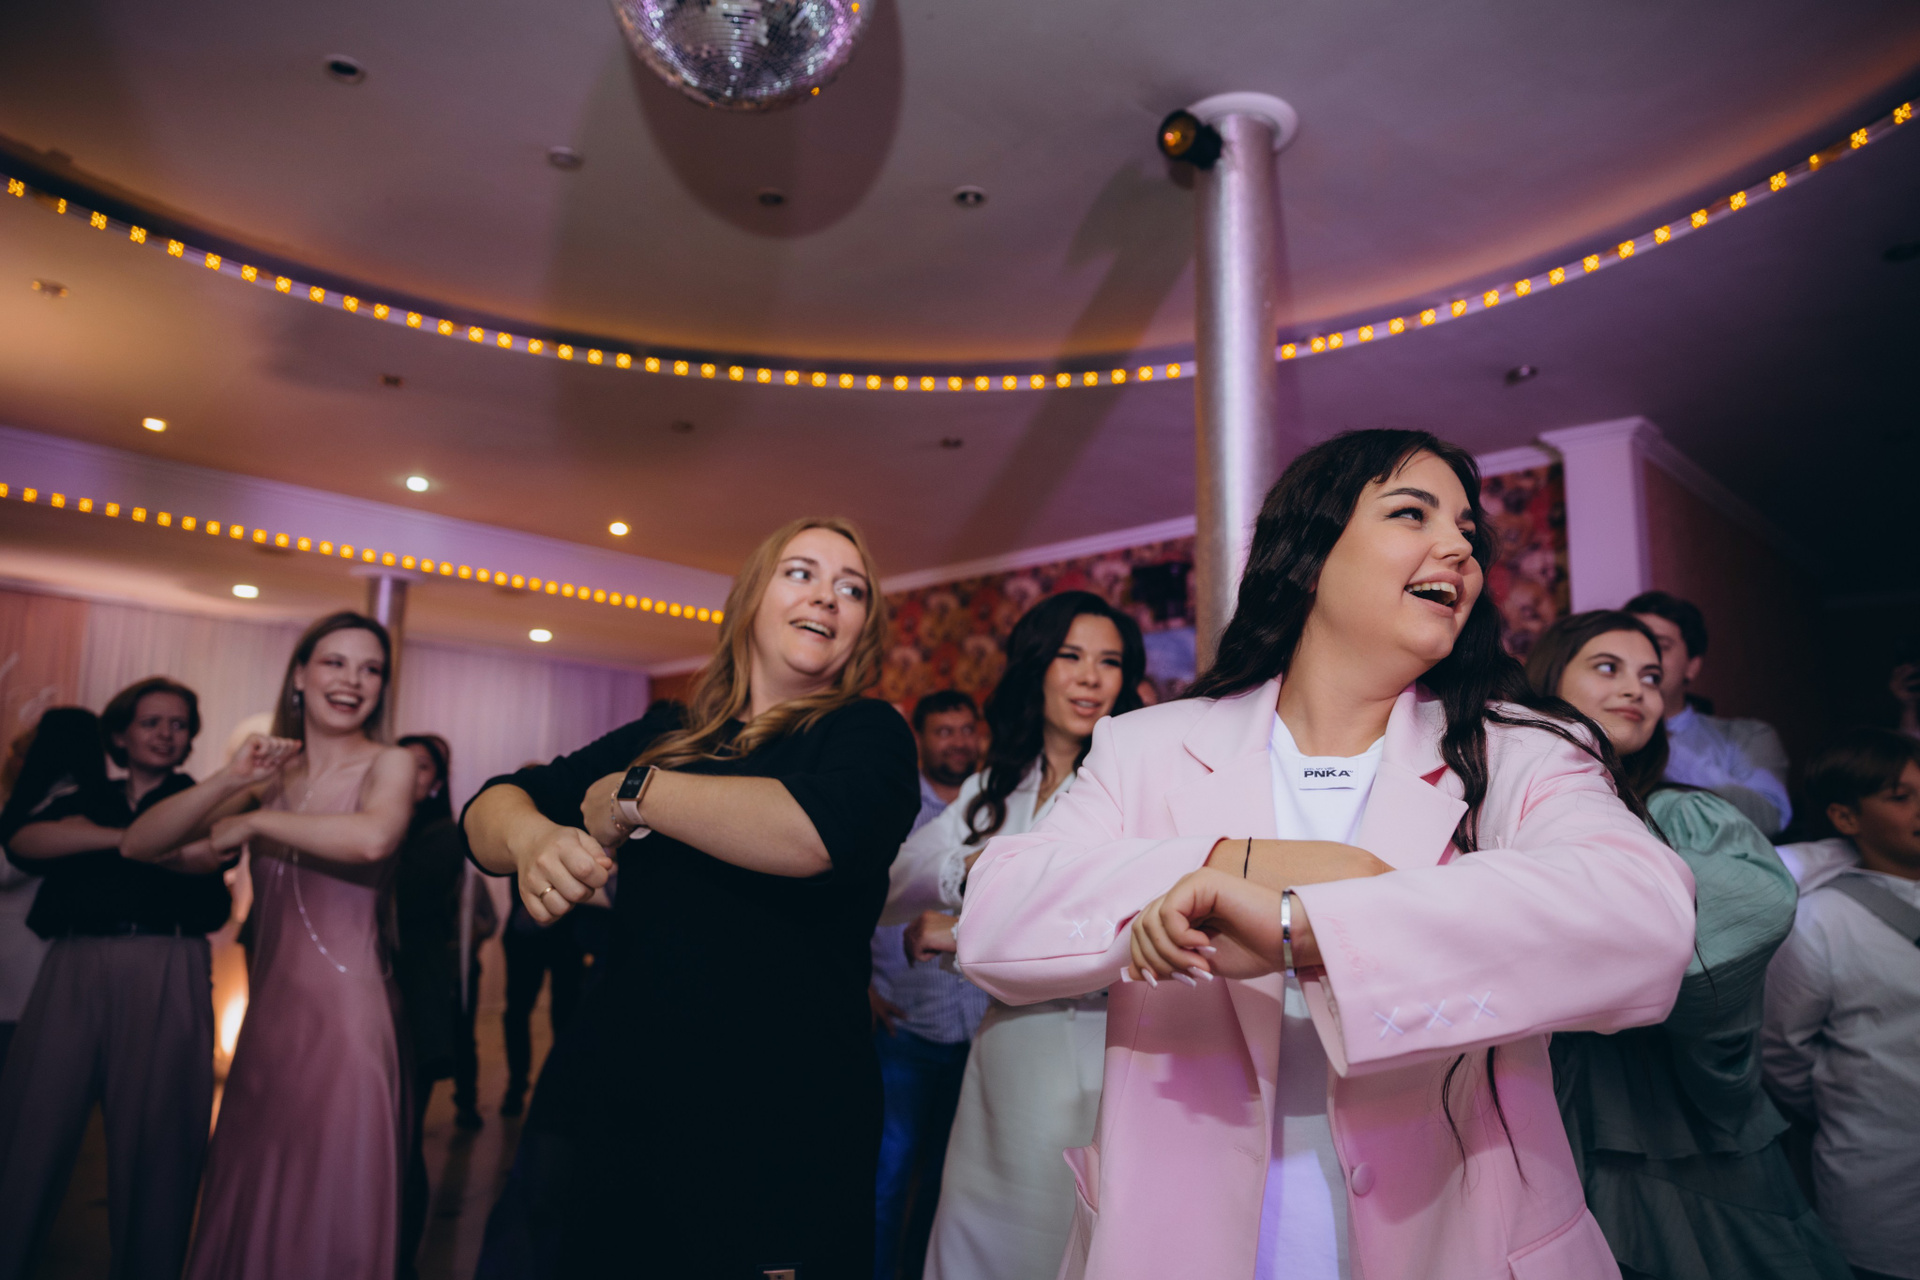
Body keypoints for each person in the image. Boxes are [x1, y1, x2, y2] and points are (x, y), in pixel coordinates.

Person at [957, 429, 1696, 1280]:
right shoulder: (1147, 747)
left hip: (1462, 1241)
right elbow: (997, 914)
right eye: (1412, 513)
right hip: (1182, 1242)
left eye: (1469, 532)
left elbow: (1645, 917)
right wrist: (1244, 863)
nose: (1459, 547)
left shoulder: (1520, 749)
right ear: (1309, 557)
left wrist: (1313, 926)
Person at [465, 517, 921, 1278]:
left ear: (862, 629)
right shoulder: (671, 729)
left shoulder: (868, 733)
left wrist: (636, 793)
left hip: (783, 1121)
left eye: (852, 589)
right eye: (801, 573)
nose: (827, 597)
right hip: (626, 1100)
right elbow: (491, 807)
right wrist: (531, 839)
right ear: (751, 598)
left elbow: (816, 835)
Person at [1525, 611, 1849, 1280]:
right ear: (1549, 679)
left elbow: (1748, 914)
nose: (1638, 689)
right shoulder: (1492, 805)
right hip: (1535, 1112)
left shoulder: (1684, 814)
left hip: (1670, 1121)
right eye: (1608, 668)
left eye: (1651, 676)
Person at [126, 613, 416, 1280]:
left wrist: (254, 821)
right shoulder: (272, 777)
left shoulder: (389, 763)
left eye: (371, 669)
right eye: (335, 662)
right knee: (251, 1192)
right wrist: (231, 780)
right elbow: (141, 846)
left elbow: (373, 838)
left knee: (330, 1204)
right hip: (269, 1028)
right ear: (300, 674)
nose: (352, 680)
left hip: (346, 1026)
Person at [884, 593, 1145, 1280]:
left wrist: (963, 932)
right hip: (1001, 1052)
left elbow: (1119, 922)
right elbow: (892, 885)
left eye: (1110, 661)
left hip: (1098, 1048)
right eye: (1071, 656)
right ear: (1037, 668)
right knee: (975, 1244)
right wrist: (973, 869)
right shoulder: (995, 789)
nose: (1090, 677)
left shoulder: (1136, 788)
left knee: (1071, 1243)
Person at [0, 683, 226, 1280]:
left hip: (169, 961)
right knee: (31, 1127)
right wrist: (130, 841)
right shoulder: (84, 793)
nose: (165, 734)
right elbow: (23, 841)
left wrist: (96, 841)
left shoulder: (201, 798)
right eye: (151, 722)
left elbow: (211, 855)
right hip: (73, 963)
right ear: (120, 734)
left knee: (161, 1140)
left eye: (178, 724)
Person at [1764, 729, 1920, 1280]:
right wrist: (1850, 1102)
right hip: (1881, 1188)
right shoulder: (1820, 920)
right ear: (1846, 817)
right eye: (1901, 797)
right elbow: (1781, 1052)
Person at [868, 688, 988, 1280]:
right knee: (889, 1178)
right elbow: (858, 898)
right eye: (944, 731)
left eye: (966, 730)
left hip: (979, 1027)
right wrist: (862, 989)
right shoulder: (894, 808)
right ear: (921, 738)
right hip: (905, 1025)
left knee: (950, 1183)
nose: (958, 743)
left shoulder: (994, 805)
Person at [394, 732, 495, 1279]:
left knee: (402, 1138)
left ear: (437, 782)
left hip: (415, 996)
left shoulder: (441, 837)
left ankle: (399, 1259)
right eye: (398, 763)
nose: (407, 775)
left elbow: (406, 900)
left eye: (421, 767)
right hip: (370, 993)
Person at [1625, 590, 1793, 835]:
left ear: (1692, 666)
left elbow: (1770, 817)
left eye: (1659, 646)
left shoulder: (1746, 735)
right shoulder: (1597, 736)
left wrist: (1657, 742)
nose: (1644, 657)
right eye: (1631, 645)